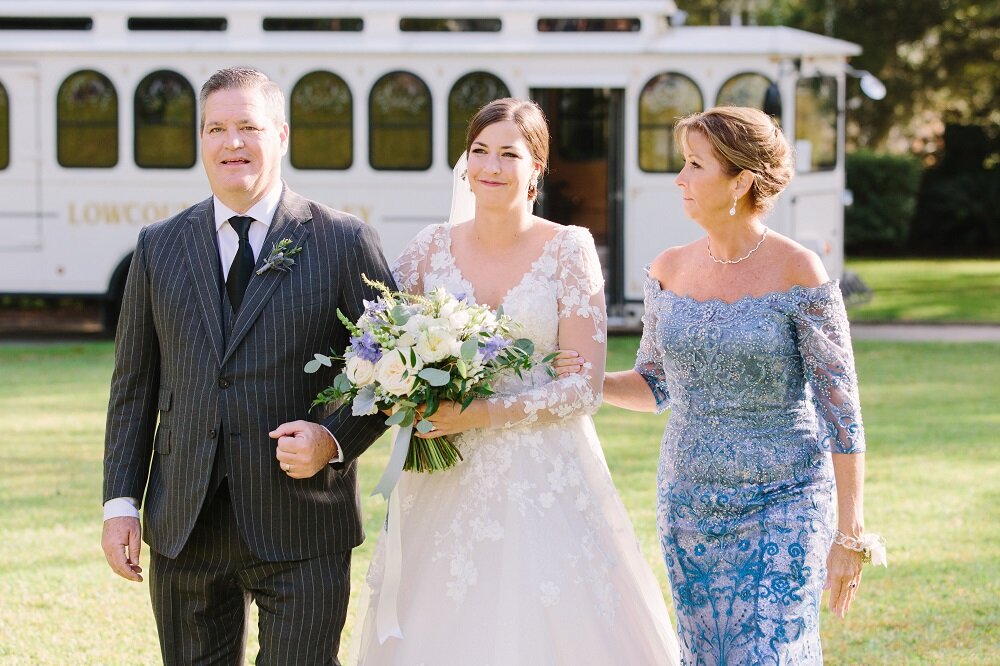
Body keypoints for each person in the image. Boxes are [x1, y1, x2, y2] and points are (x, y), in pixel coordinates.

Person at [351, 98, 680, 664]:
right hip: (442, 466)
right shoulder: (428, 249)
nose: (491, 167)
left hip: (543, 470)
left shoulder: (568, 249)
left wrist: (479, 412)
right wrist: (409, 384)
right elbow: (384, 341)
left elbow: (583, 388)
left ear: (536, 169)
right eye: (479, 151)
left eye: (509, 154)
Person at [101, 67, 395, 665]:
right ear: (201, 139)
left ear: (281, 135)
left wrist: (333, 439)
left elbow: (396, 371)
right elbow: (134, 387)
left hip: (302, 519)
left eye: (248, 127)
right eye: (216, 128)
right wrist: (120, 505)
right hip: (185, 524)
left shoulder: (342, 240)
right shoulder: (158, 246)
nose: (232, 142)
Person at [602, 106, 883, 664]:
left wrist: (850, 533)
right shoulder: (668, 268)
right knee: (707, 654)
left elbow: (841, 413)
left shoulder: (798, 269)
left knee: (766, 653)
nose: (679, 179)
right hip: (689, 503)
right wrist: (580, 382)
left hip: (786, 499)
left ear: (742, 181)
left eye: (694, 165)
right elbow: (655, 384)